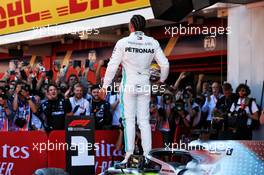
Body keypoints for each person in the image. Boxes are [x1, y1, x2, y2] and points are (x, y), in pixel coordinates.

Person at [99, 15, 169, 163]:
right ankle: (148, 155)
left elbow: (112, 66)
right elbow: (165, 65)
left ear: (131, 26)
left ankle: (129, 155)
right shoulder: (153, 42)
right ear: (144, 27)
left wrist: (105, 86)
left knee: (129, 120)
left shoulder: (123, 42)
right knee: (144, 121)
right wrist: (162, 81)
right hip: (145, 84)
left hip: (129, 84)